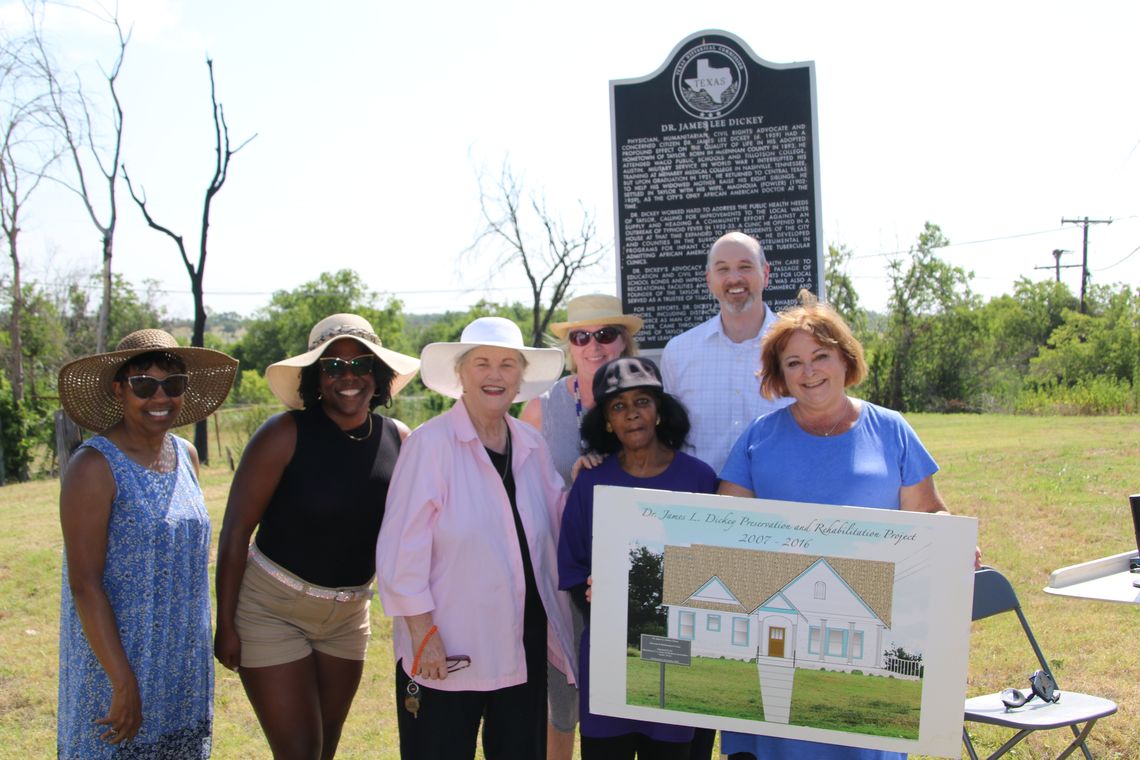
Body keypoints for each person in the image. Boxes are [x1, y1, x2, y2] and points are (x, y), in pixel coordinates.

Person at [717, 295, 979, 760]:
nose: (810, 371)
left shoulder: (891, 428)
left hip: (871, 630)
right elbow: (719, 529)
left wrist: (951, 543)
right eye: (794, 362)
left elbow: (929, 514)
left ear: (844, 358)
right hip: (778, 629)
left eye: (821, 356)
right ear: (780, 374)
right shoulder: (758, 436)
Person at [214, 313, 420, 760]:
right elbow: (234, 534)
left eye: (360, 364)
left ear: (378, 373)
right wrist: (226, 624)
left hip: (348, 617)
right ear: (315, 378)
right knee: (300, 751)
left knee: (324, 749)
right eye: (332, 366)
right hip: (272, 610)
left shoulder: (400, 440)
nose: (348, 376)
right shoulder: (282, 435)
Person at [376, 316, 578, 759]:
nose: (495, 375)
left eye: (507, 364)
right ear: (460, 374)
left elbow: (560, 523)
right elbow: (398, 553)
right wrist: (422, 632)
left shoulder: (531, 444)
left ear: (520, 377)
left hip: (522, 644)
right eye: (482, 363)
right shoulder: (430, 446)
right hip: (446, 646)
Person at [57, 329, 238, 759]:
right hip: (117, 662)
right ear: (120, 389)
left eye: (172, 384)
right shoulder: (94, 467)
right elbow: (85, 583)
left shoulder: (186, 455)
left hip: (179, 661)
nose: (160, 397)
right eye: (144, 384)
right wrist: (123, 680)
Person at [559, 356, 718, 759]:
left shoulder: (699, 479)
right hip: (610, 655)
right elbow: (574, 566)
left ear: (660, 411)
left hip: (679, 657)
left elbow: (716, 564)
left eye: (642, 401)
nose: (632, 414)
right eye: (618, 406)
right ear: (607, 422)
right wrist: (611, 614)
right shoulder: (591, 481)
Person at [521, 293, 644, 760]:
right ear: (570, 346)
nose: (594, 346)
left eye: (606, 334)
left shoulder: (648, 403)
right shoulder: (541, 409)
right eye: (581, 336)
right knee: (563, 698)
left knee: (635, 689)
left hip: (634, 571)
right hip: (564, 572)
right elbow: (525, 496)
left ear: (624, 342)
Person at [660, 231, 793, 475]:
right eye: (723, 269)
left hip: (779, 501)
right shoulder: (679, 353)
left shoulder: (796, 348)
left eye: (745, 266)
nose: (734, 278)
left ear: (765, 274)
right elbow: (668, 437)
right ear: (709, 280)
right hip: (700, 504)